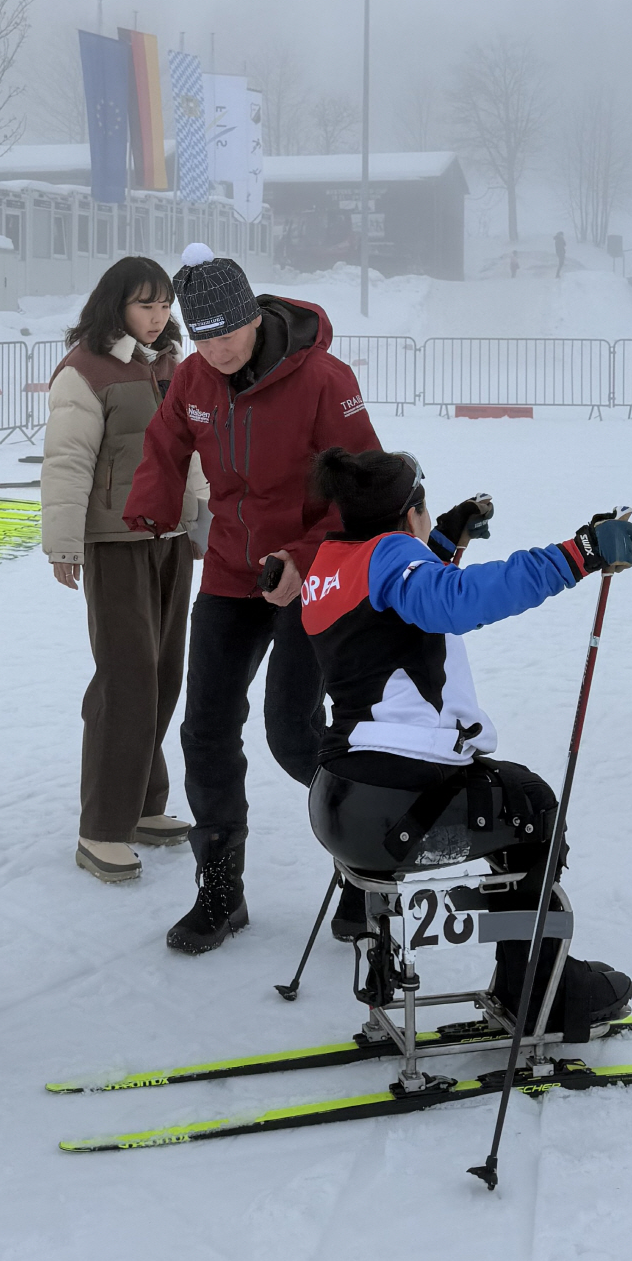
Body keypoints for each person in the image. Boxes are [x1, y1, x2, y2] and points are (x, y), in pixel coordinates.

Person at [301, 447, 632, 1037]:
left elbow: (389, 610)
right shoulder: (393, 558)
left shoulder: (332, 562)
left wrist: (446, 540)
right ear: (408, 515)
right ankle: (537, 995)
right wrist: (576, 555)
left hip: (342, 799)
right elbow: (453, 600)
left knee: (509, 793)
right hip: (402, 801)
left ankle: (520, 977)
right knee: (532, 806)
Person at [124, 244, 382, 953]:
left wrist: (303, 557)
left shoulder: (326, 381)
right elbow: (167, 439)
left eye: (227, 334)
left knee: (294, 732)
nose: (216, 349)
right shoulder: (196, 378)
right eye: (201, 337)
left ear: (253, 319)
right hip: (235, 574)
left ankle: (368, 866)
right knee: (204, 730)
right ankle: (221, 891)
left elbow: (367, 487)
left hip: (313, 571)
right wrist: (148, 506)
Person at [41, 257, 209, 882]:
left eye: (165, 304)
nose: (159, 315)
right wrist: (63, 544)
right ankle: (102, 827)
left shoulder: (172, 366)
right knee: (126, 678)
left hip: (169, 539)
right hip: (114, 541)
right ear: (116, 305)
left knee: (164, 673)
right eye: (146, 304)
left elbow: (190, 452)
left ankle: (141, 804)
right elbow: (66, 461)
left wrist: (200, 520)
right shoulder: (84, 371)